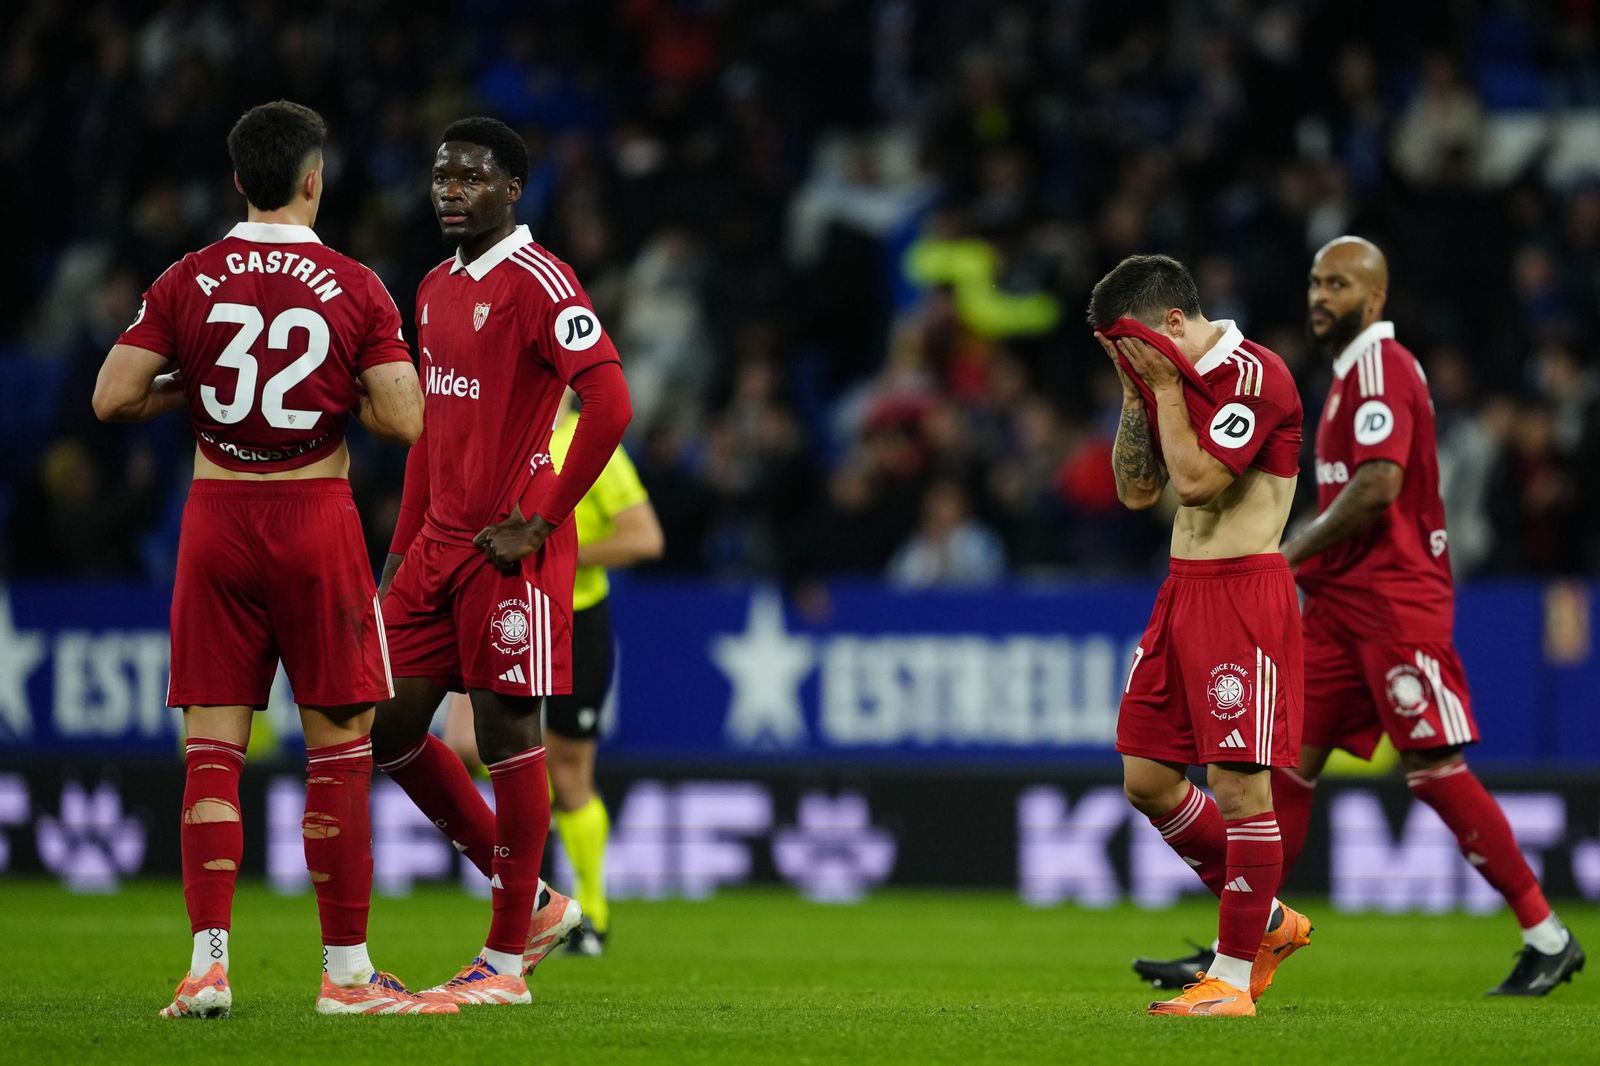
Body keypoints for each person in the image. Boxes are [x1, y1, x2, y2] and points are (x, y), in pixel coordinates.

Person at [1135, 237, 1585, 996]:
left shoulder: (1380, 369)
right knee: (1282, 772)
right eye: (1314, 281)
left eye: (1338, 284)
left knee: (1435, 768)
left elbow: (1378, 484)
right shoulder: (1347, 378)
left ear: (1374, 299)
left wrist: (1289, 554)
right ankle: (1242, 942)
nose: (1319, 295)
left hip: (1393, 603)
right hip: (1340, 608)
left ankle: (1549, 935)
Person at [92, 100, 447, 1017]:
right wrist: (343, 399)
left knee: (212, 750)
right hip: (313, 519)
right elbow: (407, 420)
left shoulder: (189, 276)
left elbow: (112, 398)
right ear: (313, 178)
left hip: (216, 516)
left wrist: (189, 388)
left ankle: (207, 966)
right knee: (338, 747)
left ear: (238, 180)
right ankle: (347, 977)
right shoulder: (355, 284)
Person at [371, 117, 633, 1007]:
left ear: (512, 189)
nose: (451, 189)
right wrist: (400, 552)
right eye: (441, 175)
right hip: (436, 549)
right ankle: (540, 901)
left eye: (472, 177)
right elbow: (424, 434)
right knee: (384, 727)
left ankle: (506, 963)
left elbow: (611, 400)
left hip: (507, 551)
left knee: (508, 737)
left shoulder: (540, 280)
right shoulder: (435, 287)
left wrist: (543, 518)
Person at [1091, 254, 1310, 1018]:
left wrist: (1159, 387)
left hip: (1243, 591)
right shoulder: (1162, 382)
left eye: (1136, 344)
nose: (1138, 361)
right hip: (1182, 590)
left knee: (1241, 789)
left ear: (1174, 323)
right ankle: (1269, 923)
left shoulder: (1257, 376)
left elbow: (1196, 484)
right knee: (1146, 778)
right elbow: (1138, 489)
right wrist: (1133, 387)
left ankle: (1233, 980)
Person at [442, 394, 665, 956]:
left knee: (568, 774)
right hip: (510, 612)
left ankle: (592, 912)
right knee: (486, 751)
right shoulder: (495, 439)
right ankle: (535, 900)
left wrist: (554, 548)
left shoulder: (591, 451)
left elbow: (645, 538)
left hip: (576, 619)